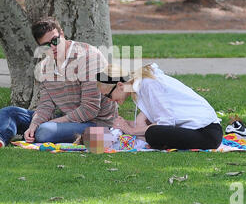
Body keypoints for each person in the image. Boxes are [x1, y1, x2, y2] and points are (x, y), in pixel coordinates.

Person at [0, 17, 117, 147]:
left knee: (45, 132)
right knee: (9, 112)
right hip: (67, 119)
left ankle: (33, 133)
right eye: (46, 45)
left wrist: (49, 123)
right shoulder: (45, 67)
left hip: (96, 124)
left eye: (55, 40)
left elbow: (89, 110)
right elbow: (46, 104)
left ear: (62, 34)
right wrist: (34, 124)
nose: (52, 47)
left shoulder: (88, 57)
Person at [95, 63, 223, 150]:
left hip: (207, 134)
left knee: (154, 134)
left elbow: (165, 123)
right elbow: (154, 120)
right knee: (151, 132)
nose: (110, 100)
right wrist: (126, 124)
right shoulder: (140, 87)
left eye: (108, 96)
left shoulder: (149, 84)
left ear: (119, 85)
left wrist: (130, 130)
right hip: (195, 130)